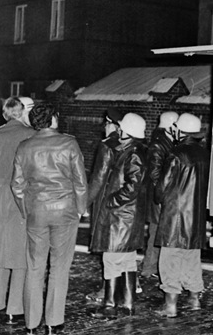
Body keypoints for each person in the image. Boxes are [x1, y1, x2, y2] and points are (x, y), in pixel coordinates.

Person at [11, 103, 87, 335]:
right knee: (59, 268)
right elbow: (80, 181)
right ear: (53, 119)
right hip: (65, 212)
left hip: (37, 212)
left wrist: (27, 210)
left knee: (34, 267)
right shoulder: (69, 143)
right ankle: (54, 322)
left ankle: (32, 324)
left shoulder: (24, 147)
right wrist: (81, 209)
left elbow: (17, 185)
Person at [89, 112, 147, 318]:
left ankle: (110, 304)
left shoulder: (133, 153)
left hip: (121, 217)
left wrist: (111, 201)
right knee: (128, 260)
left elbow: (132, 186)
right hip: (127, 217)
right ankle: (128, 303)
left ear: (126, 130)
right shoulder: (134, 150)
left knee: (112, 259)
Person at [0, 98, 35, 323]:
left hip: (1, 197)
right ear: (22, 112)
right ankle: (14, 308)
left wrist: (3, 183)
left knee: (0, 251)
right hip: (23, 197)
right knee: (20, 253)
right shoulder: (31, 135)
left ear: (5, 114)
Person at [155, 113, 210, 318]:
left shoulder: (176, 154)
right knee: (192, 260)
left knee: (170, 260)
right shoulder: (205, 155)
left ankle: (170, 306)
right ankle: (195, 300)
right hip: (196, 219)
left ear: (181, 131)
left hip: (175, 217)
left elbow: (163, 186)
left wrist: (157, 196)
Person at [85, 107, 123, 304]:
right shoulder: (130, 143)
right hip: (125, 203)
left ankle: (107, 290)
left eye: (107, 123)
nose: (104, 126)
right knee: (122, 249)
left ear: (113, 125)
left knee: (107, 247)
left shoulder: (107, 145)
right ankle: (125, 287)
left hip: (106, 201)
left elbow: (98, 178)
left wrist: (85, 202)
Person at [140, 111, 177, 280]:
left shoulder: (165, 142)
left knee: (157, 234)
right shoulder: (158, 145)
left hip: (160, 196)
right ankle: (148, 268)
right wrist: (161, 197)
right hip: (158, 199)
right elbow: (155, 174)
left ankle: (151, 267)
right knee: (155, 234)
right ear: (170, 127)